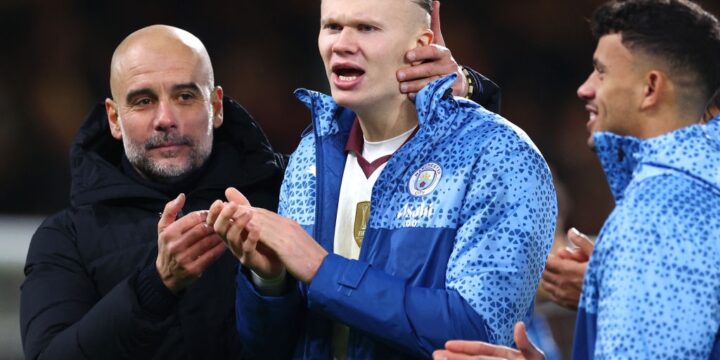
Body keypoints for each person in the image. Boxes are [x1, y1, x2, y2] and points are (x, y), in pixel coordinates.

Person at [19, 18, 501, 360]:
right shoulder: (67, 238)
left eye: (185, 96)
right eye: (143, 101)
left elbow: (419, 169)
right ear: (114, 119)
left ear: (218, 106)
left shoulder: (294, 188)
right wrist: (156, 284)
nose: (166, 118)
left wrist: (464, 92)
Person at [208, 0, 557, 358]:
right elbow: (273, 348)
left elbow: (480, 333)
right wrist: (271, 281)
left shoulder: (498, 155)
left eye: (366, 28)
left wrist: (324, 271)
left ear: (421, 47)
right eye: (332, 27)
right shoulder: (309, 159)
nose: (341, 44)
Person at [433, 0, 720, 358]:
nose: (585, 88)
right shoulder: (701, 184)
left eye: (601, 72)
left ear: (650, 88)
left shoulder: (658, 211)